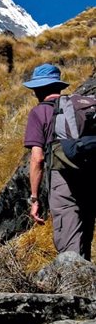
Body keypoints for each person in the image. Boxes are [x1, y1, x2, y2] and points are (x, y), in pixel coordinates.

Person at [24, 63, 95, 260]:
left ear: (38, 89)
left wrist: (35, 198)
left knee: (69, 239)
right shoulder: (80, 107)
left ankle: (74, 285)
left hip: (63, 177)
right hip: (91, 174)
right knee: (86, 233)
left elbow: (37, 159)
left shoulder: (39, 113)